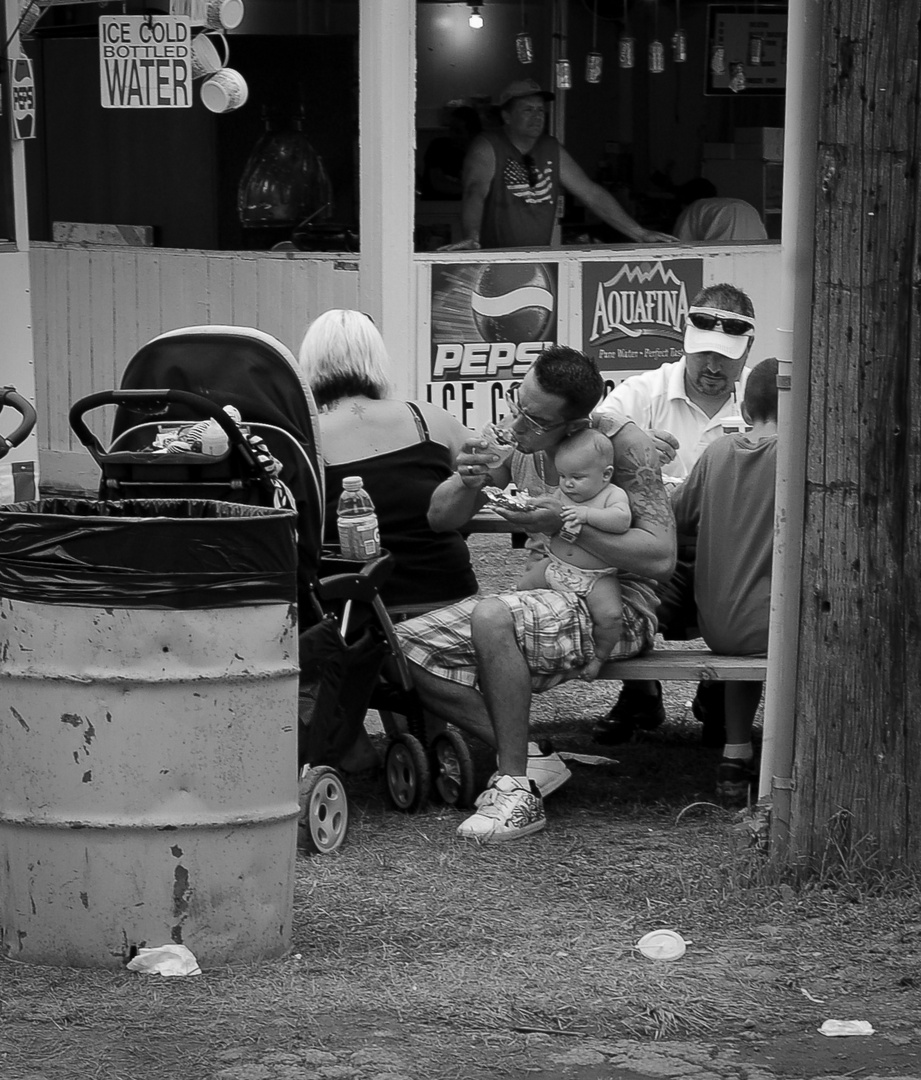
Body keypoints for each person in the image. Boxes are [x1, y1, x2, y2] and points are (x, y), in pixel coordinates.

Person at [394, 345, 676, 842]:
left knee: (491, 616)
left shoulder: (623, 446)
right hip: (551, 589)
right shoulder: (513, 439)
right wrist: (467, 479)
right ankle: (535, 761)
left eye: (534, 418)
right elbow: (440, 519)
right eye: (516, 403)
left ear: (574, 424)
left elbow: (659, 558)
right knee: (401, 649)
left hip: (616, 603)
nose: (517, 424)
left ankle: (515, 790)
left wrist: (563, 527)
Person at [592, 283, 756, 746]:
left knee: (757, 582)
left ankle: (722, 697)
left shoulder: (761, 403)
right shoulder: (640, 394)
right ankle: (641, 690)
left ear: (747, 351)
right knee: (615, 578)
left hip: (729, 553)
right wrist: (632, 447)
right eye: (702, 352)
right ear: (684, 342)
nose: (711, 366)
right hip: (656, 550)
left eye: (725, 356)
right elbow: (586, 451)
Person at [298, 308, 478, 610]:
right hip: (447, 601)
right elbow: (493, 462)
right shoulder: (427, 419)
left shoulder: (303, 438)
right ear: (378, 359)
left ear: (309, 363)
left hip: (350, 616)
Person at [671, 357, 778, 804]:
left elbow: (676, 518)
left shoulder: (715, 453)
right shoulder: (801, 456)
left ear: (745, 408)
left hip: (718, 627)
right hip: (773, 627)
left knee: (747, 608)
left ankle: (735, 753)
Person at [452, 79, 676, 250]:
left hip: (537, 259)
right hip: (494, 259)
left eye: (540, 110)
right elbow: (475, 192)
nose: (537, 116)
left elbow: (591, 194)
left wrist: (640, 234)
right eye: (527, 110)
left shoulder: (550, 147)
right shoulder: (488, 146)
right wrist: (471, 236)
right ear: (507, 116)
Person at [515, 428, 632, 681]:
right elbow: (549, 510)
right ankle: (518, 639)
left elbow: (622, 521)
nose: (568, 483)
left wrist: (587, 515)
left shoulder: (612, 494)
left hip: (595, 575)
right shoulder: (563, 493)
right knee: (521, 588)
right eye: (563, 476)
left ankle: (599, 656)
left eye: (577, 477)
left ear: (606, 474)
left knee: (610, 616)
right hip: (555, 565)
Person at [673, 178, 768, 243]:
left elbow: (680, 245)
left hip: (719, 261)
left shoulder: (694, 207)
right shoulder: (744, 205)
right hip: (757, 258)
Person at [420, 105, 481, 199]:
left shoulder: (480, 154)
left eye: (458, 131)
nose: (452, 135)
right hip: (433, 206)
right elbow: (438, 183)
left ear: (472, 133)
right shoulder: (438, 147)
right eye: (450, 129)